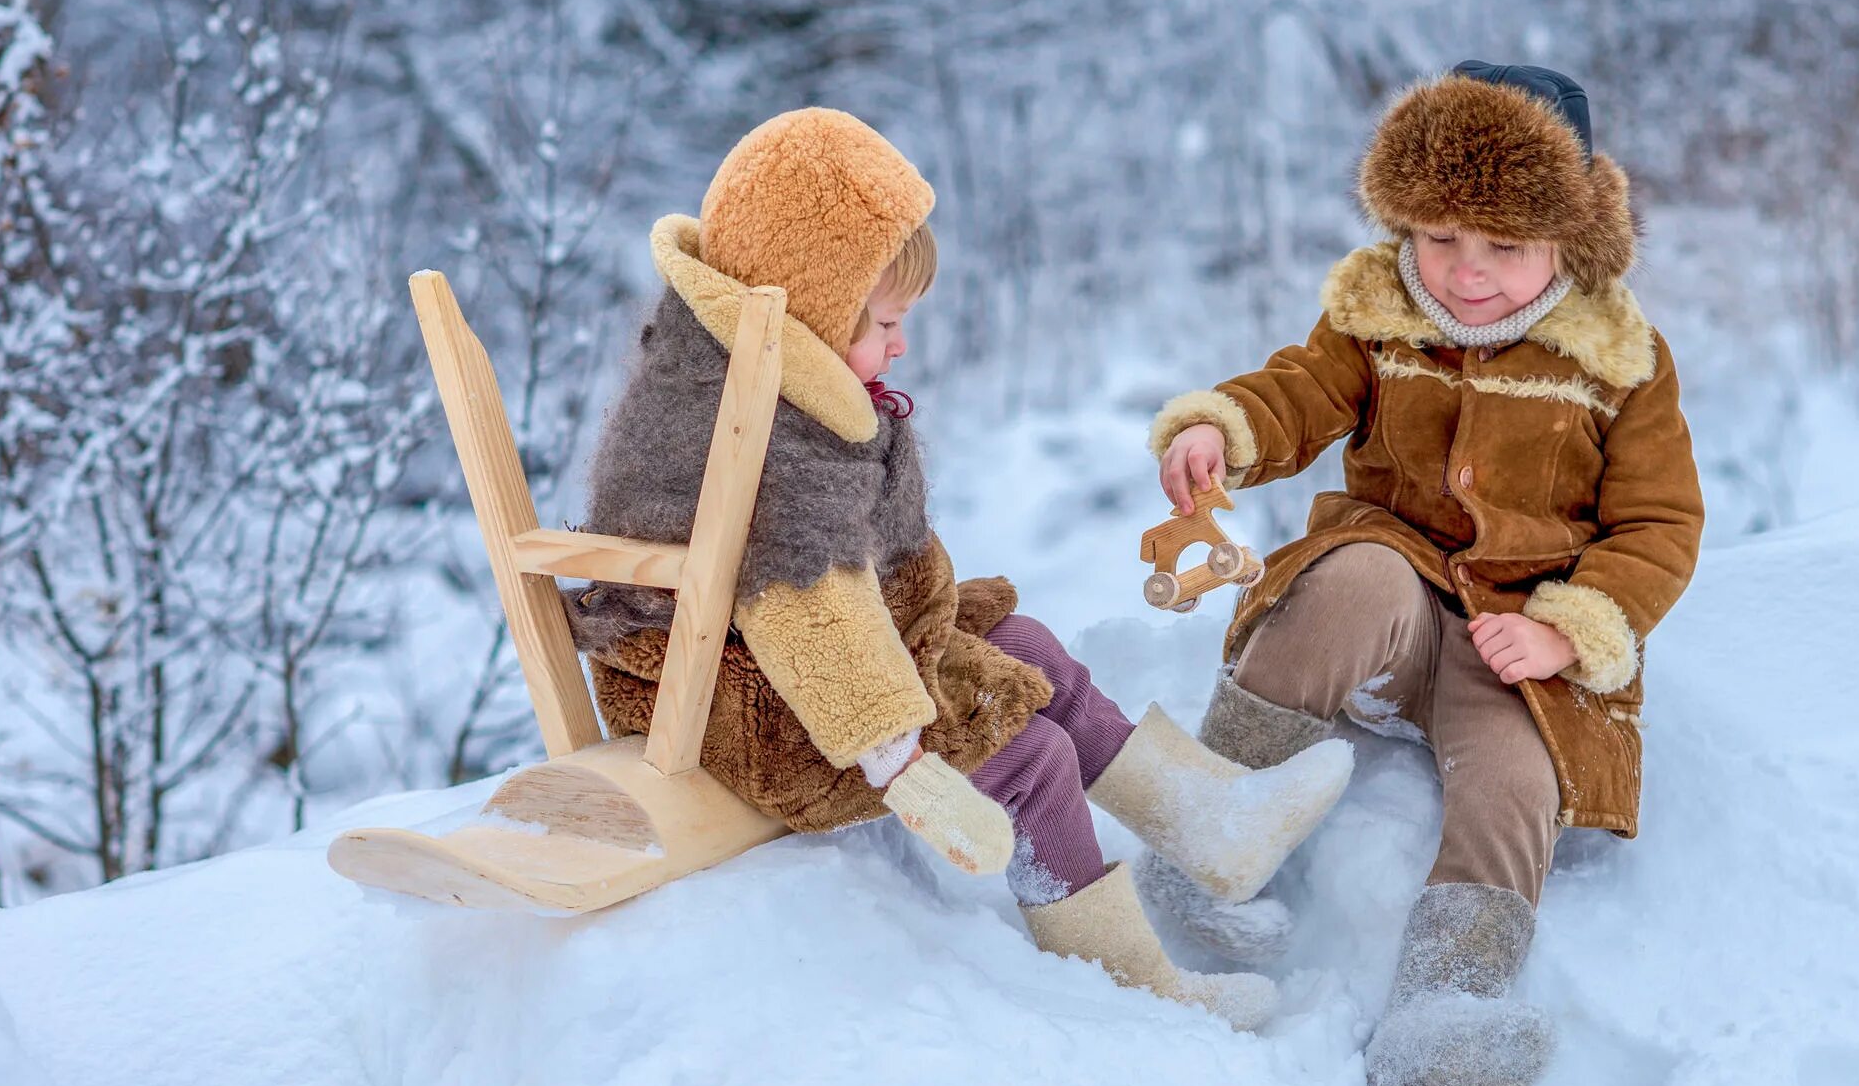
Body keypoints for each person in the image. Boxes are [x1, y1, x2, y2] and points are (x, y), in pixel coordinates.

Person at [565, 107, 1353, 1030]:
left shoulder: (762, 364)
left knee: (1027, 647)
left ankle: (1215, 826)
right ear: (815, 303)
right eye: (886, 322)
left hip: (796, 667)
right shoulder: (749, 429)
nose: (899, 344)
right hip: (749, 704)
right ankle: (1128, 981)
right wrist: (903, 758)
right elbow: (803, 604)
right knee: (1023, 750)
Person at [1144, 64, 1704, 1086]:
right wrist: (1221, 428)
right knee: (1349, 580)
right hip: (1391, 597)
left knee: (1516, 773)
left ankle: (1443, 1005)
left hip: (1519, 633)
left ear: (1567, 242)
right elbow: (1298, 392)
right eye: (1439, 237)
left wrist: (1570, 631)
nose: (1464, 271)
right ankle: (1201, 838)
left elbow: (1659, 521)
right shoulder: (1375, 315)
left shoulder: (1618, 359)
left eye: (1503, 246)